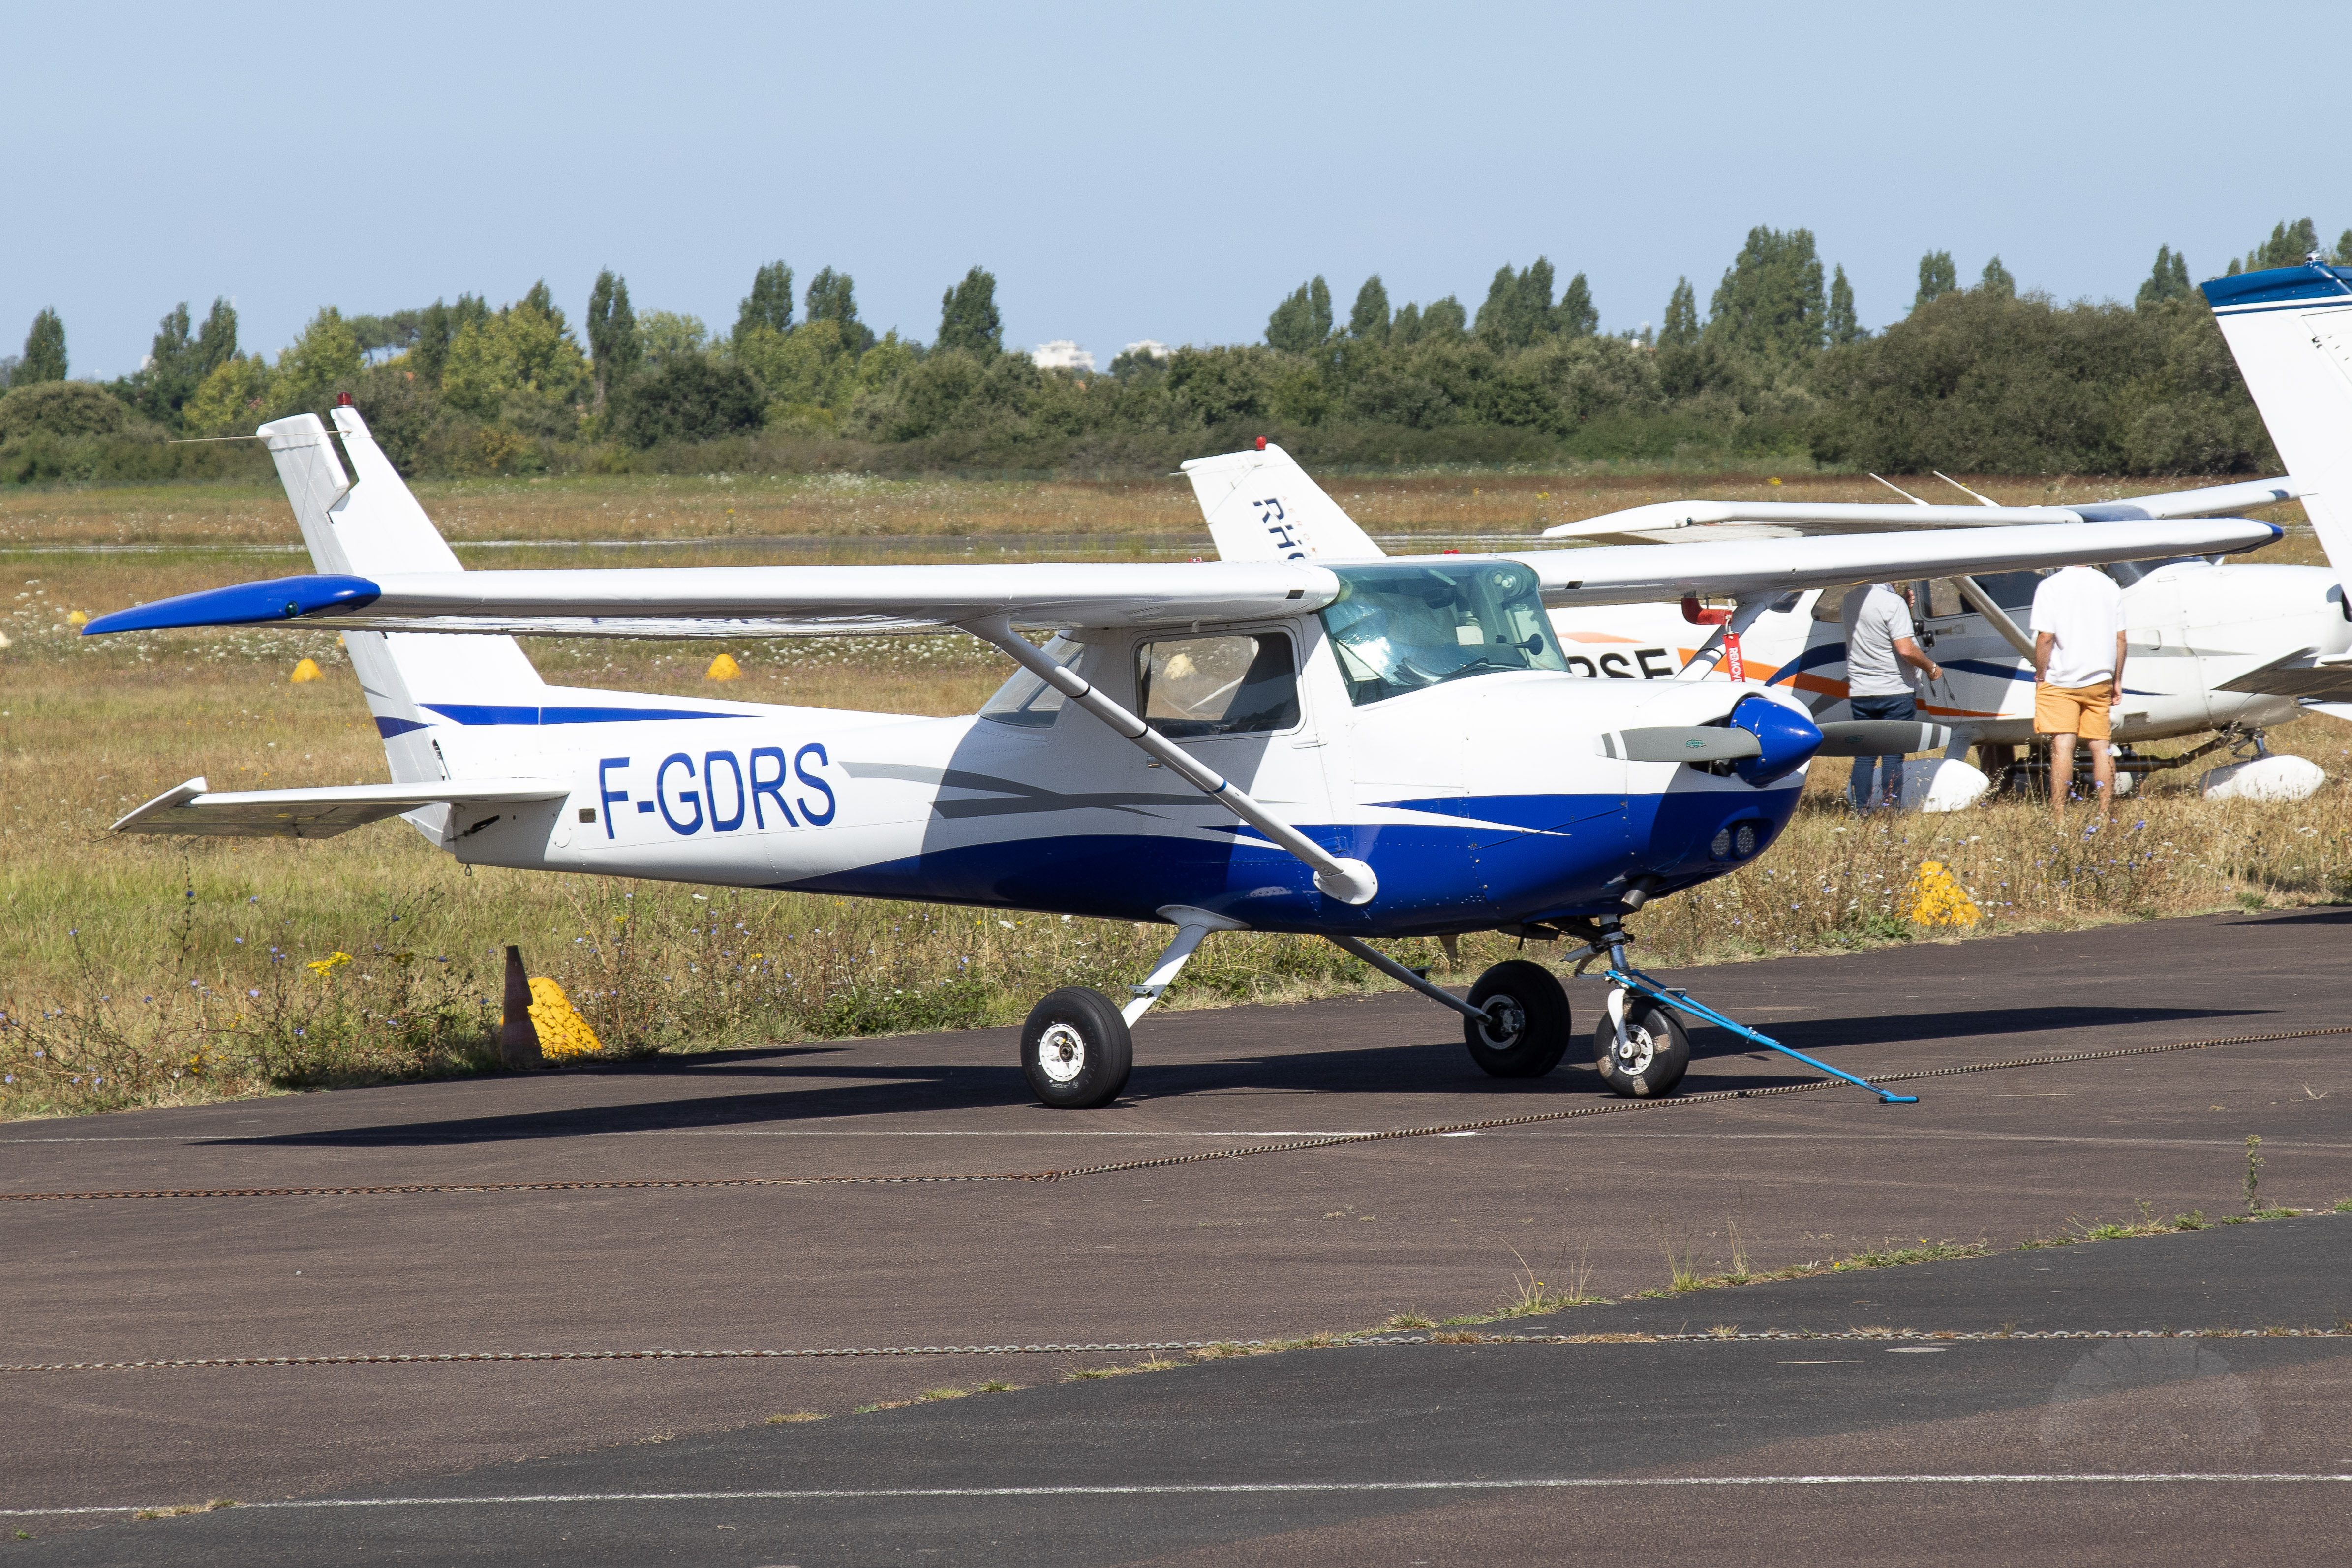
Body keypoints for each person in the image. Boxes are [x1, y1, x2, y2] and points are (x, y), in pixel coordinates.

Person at [2029, 565, 2127, 821]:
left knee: (2063, 744)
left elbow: (2045, 638)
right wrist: (2117, 679)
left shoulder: (2051, 586)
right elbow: (2121, 639)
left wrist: (2040, 675)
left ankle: (2059, 814)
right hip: (2101, 678)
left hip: (2062, 680)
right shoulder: (2109, 584)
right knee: (2101, 746)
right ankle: (2105, 812)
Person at [1840, 582, 1943, 811]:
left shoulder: (1849, 599)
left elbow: (1873, 625)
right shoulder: (1892, 602)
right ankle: (1891, 809)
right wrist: (1931, 667)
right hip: (1895, 690)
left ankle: (1861, 810)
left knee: (1865, 756)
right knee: (1893, 755)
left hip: (1862, 690)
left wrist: (1902, 608)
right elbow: (1906, 649)